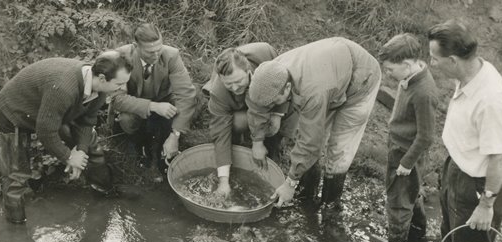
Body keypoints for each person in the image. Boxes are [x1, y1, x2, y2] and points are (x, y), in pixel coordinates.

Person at [423, 20, 502, 242]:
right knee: (451, 235)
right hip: (458, 168)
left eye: (434, 57)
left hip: (478, 184)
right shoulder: (469, 75)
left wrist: (487, 203)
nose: (431, 63)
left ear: (453, 60)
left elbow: (499, 156)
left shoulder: (490, 98)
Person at [246, 37, 381, 215]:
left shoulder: (312, 93)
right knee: (309, 131)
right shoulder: (271, 71)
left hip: (362, 78)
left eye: (274, 102)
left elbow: (311, 142)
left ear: (287, 89)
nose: (271, 106)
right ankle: (306, 195)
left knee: (338, 150)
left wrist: (289, 183)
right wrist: (257, 141)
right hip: (332, 67)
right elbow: (258, 106)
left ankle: (330, 206)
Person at [0, 53, 132, 224]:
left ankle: (105, 195)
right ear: (102, 78)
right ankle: (17, 232)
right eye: (119, 84)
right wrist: (68, 156)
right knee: (16, 176)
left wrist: (80, 151)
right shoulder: (63, 87)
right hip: (14, 112)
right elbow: (45, 131)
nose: (124, 88)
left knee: (91, 146)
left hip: (51, 112)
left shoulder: (100, 90)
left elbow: (87, 121)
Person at [203, 43, 320, 199]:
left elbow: (283, 81)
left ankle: (274, 150)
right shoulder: (218, 93)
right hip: (242, 106)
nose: (235, 87)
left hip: (275, 96)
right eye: (228, 84)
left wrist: (278, 114)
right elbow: (220, 135)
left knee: (276, 128)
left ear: (249, 72)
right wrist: (223, 182)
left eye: (238, 81)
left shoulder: (266, 56)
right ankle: (243, 148)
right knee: (237, 123)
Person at [378, 33, 438, 242]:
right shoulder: (409, 77)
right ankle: (417, 235)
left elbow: (427, 136)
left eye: (390, 69)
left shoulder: (424, 92)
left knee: (398, 202)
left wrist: (406, 163)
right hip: (398, 146)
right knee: (409, 194)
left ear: (406, 64)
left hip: (407, 153)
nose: (387, 73)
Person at [110, 23, 197, 175]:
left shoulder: (172, 55)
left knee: (185, 107)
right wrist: (153, 106)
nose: (156, 55)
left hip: (165, 101)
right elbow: (117, 99)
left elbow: (186, 94)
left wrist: (175, 135)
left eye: (159, 49)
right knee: (127, 120)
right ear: (136, 46)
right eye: (150, 52)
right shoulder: (121, 56)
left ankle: (162, 145)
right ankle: (136, 143)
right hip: (136, 105)